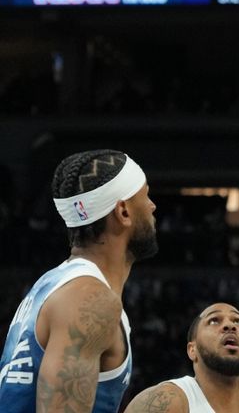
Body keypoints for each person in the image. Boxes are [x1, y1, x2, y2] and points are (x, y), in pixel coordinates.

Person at [0, 150, 158, 413]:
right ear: (123, 212)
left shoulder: (53, 284)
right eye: (146, 196)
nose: (153, 206)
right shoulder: (88, 299)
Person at [123, 303, 239, 413]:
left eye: (238, 321)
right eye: (214, 320)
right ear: (192, 350)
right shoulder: (168, 401)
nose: (230, 326)